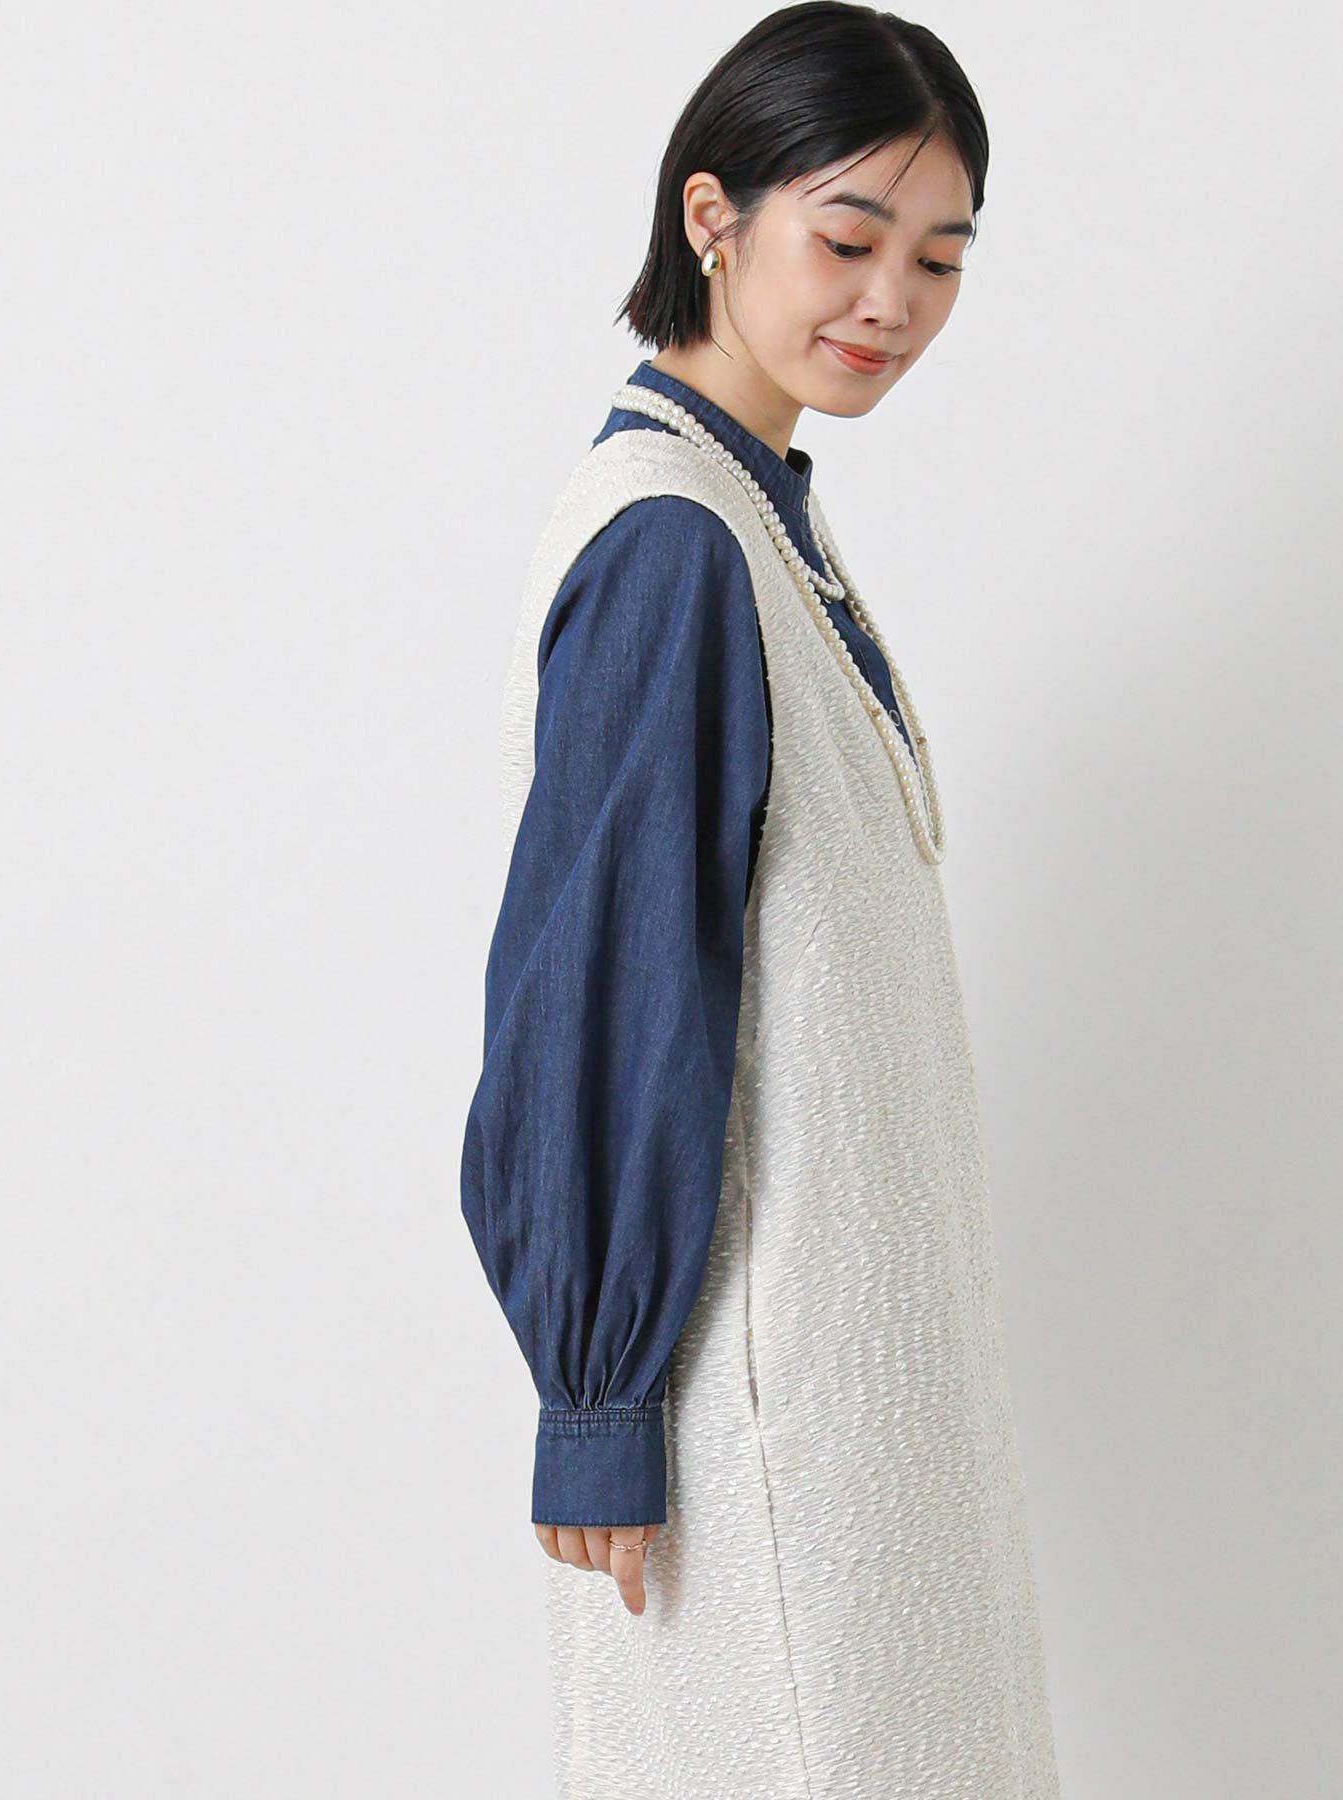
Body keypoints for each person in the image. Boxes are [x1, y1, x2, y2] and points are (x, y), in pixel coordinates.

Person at [459, 5, 1062, 1794]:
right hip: (767, 1412)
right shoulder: (675, 543)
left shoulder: (760, 512)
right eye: (850, 237)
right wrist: (595, 1401)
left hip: (868, 1388)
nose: (893, 302)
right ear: (712, 218)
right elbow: (599, 981)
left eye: (940, 258)